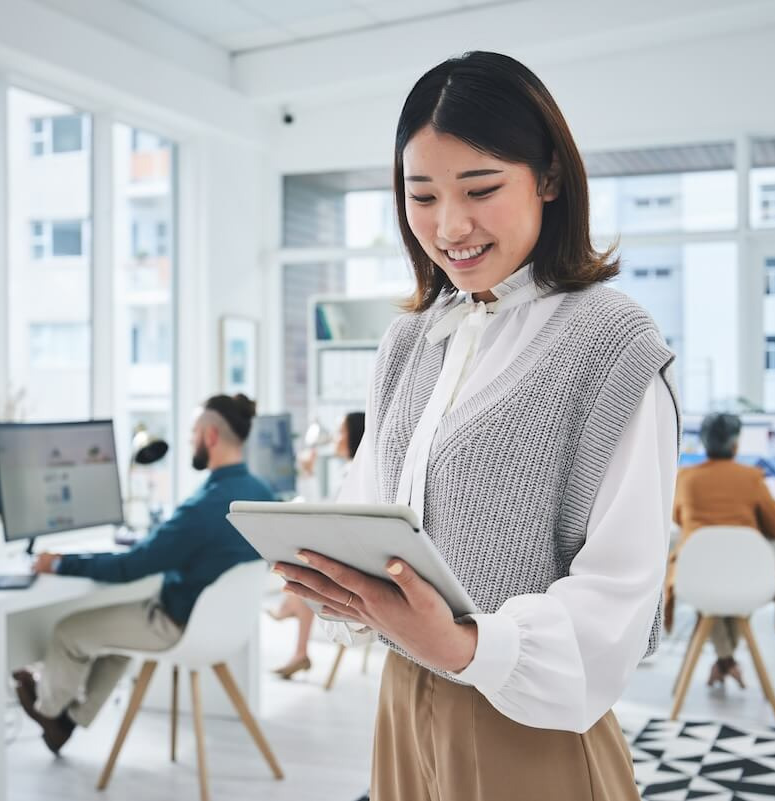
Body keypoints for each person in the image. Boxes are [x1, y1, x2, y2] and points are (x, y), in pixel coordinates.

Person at [275, 52, 679, 801]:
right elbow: (370, 511)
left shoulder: (610, 341)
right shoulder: (410, 342)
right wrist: (334, 577)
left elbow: (618, 596)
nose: (448, 225)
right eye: (420, 195)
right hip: (402, 704)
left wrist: (467, 645)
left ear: (550, 179)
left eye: (481, 189)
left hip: (530, 731)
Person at [13, 394, 274, 755]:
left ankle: (49, 711)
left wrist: (58, 563)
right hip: (225, 628)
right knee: (116, 642)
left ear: (210, 436)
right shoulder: (262, 493)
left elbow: (129, 566)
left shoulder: (204, 506)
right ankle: (71, 720)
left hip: (176, 624)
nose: (188, 441)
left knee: (68, 632)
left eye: (192, 433)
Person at [667, 412, 775, 689]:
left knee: (712, 597)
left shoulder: (685, 478)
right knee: (735, 595)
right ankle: (728, 662)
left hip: (695, 575)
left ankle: (724, 662)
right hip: (746, 576)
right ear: (736, 445)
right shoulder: (751, 478)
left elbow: (677, 517)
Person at [268, 411, 366, 679]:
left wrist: (308, 475)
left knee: (304, 571)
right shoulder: (353, 471)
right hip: (346, 551)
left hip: (350, 560)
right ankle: (298, 648)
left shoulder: (355, 475)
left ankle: (292, 618)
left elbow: (321, 512)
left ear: (355, 437)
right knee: (303, 568)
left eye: (341, 432)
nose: (335, 437)